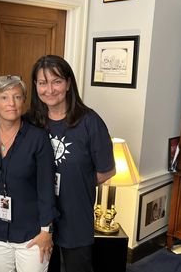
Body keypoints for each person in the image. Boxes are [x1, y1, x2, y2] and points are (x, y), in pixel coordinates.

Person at [27, 55, 116, 272]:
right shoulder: (31, 122)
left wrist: (78, 184)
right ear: (36, 86)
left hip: (75, 216)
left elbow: (107, 170)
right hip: (38, 218)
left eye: (56, 81)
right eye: (42, 83)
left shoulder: (89, 122)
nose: (49, 89)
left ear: (68, 83)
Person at [0, 75, 58, 272]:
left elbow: (46, 187)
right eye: (4, 97)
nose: (11, 104)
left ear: (23, 100)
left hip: (32, 234)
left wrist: (46, 231)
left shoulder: (37, 138)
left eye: (17, 97)